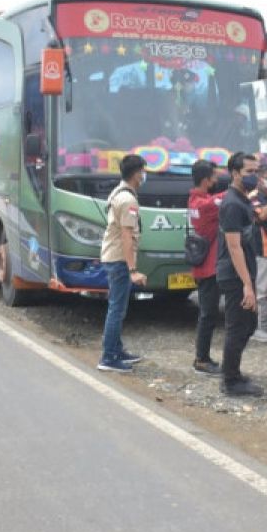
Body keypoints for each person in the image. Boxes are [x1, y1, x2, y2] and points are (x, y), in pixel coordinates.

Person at [218, 152, 264, 396]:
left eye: (256, 171)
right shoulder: (232, 204)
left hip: (245, 272)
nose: (253, 176)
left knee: (248, 324)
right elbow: (234, 247)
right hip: (235, 275)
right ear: (235, 173)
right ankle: (230, 381)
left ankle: (232, 372)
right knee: (238, 326)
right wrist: (247, 284)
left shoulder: (243, 199)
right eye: (249, 172)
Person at [97, 154, 148, 373]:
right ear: (137, 173)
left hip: (113, 257)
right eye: (143, 171)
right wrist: (133, 269)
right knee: (117, 309)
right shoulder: (128, 200)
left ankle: (117, 350)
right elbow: (127, 235)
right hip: (118, 259)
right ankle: (108, 357)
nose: (145, 175)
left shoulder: (119, 192)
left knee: (118, 308)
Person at [187, 159, 224, 375]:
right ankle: (201, 359)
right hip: (208, 267)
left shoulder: (196, 201)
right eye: (215, 176)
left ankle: (203, 357)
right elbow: (224, 198)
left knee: (207, 314)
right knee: (208, 314)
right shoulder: (206, 205)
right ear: (205, 179)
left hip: (204, 266)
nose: (218, 179)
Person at [249, 163, 267, 344]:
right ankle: (257, 327)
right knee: (260, 290)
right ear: (259, 179)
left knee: (266, 289)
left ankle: (264, 322)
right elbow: (261, 216)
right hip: (260, 248)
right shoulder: (254, 197)